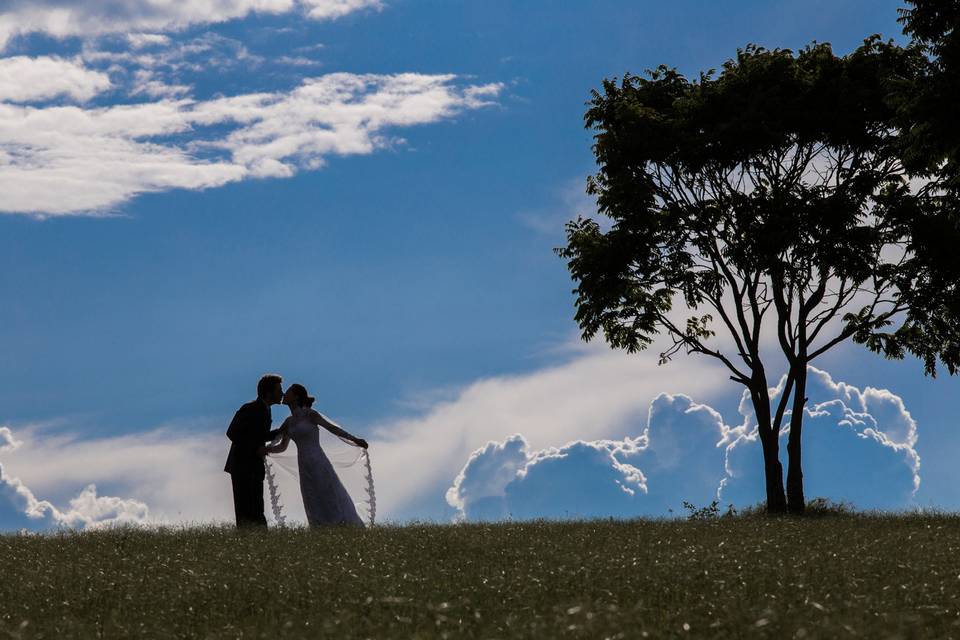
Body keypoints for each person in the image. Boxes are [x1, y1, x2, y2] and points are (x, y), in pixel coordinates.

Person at [265, 383, 368, 526]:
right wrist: (267, 450)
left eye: (287, 392)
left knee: (328, 492)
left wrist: (354, 439)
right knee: (312, 496)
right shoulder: (288, 422)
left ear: (295, 396)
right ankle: (320, 528)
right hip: (303, 464)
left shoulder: (310, 414)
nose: (284, 394)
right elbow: (282, 446)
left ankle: (341, 524)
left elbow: (332, 428)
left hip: (318, 460)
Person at [224, 374, 284, 527]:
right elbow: (232, 432)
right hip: (242, 465)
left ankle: (259, 540)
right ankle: (250, 541)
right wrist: (255, 448)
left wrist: (281, 431)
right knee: (246, 509)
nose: (282, 394)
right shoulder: (250, 408)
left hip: (253, 465)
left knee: (256, 506)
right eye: (279, 390)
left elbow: (260, 436)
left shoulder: (265, 410)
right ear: (269, 393)